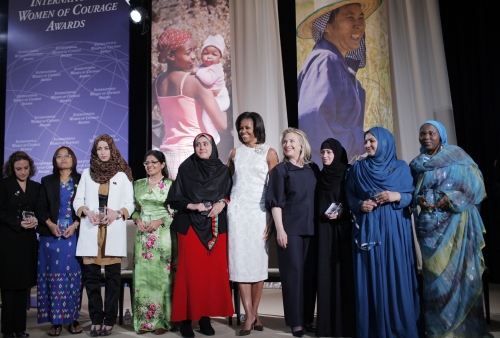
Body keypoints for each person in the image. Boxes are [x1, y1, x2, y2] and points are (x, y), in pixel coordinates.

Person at [410, 120, 492, 337]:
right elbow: (413, 191)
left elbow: (476, 187)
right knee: (434, 281)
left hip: (457, 229)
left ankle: (463, 331)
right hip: (429, 229)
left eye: (431, 133)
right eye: (422, 133)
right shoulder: (417, 164)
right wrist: (419, 200)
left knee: (461, 278)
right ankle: (438, 329)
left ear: (441, 136)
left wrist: (451, 197)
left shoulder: (458, 157)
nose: (426, 137)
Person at [345, 127, 421, 338]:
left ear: (385, 143)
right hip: (369, 228)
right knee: (370, 275)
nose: (367, 145)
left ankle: (400, 327)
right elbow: (349, 196)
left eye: (372, 141)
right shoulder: (357, 169)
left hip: (395, 228)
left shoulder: (401, 167)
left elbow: (411, 197)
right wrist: (361, 205)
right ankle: (374, 328)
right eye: (366, 141)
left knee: (396, 273)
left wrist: (396, 195)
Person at [296, 0, 381, 164]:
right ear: (326, 25)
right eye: (350, 17)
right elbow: (313, 122)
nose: (359, 25)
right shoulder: (326, 60)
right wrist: (358, 140)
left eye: (361, 17)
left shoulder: (336, 62)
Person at [166, 133, 233, 338]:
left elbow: (230, 195)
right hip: (190, 228)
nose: (202, 147)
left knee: (210, 276)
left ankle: (204, 318)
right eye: (198, 144)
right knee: (189, 275)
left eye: (205, 143)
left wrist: (223, 202)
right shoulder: (186, 168)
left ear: (213, 145)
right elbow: (174, 199)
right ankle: (186, 319)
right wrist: (192, 205)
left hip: (215, 228)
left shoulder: (223, 170)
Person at [73, 134, 134, 337]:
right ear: (95, 152)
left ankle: (109, 320)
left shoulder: (122, 175)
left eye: (106, 148)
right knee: (91, 281)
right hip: (92, 231)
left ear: (112, 149)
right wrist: (86, 211)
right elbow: (77, 200)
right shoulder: (86, 173)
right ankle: (96, 320)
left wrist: (118, 213)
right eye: (99, 149)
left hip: (112, 231)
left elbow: (130, 203)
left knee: (112, 281)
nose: (103, 152)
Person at [226, 112, 279, 336]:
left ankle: (253, 313)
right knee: (239, 263)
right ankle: (249, 314)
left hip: (259, 213)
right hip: (237, 212)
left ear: (257, 127)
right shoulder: (235, 153)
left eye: (247, 128)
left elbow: (275, 188)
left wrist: (272, 220)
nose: (243, 132)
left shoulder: (269, 152)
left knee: (257, 265)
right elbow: (228, 182)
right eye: (240, 129)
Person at [265, 128, 319, 338]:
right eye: (285, 141)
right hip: (290, 230)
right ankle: (295, 322)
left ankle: (306, 319)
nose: (287, 144)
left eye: (292, 141)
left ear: (301, 144)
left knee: (309, 276)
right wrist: (279, 229)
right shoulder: (280, 170)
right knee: (293, 276)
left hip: (312, 230)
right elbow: (275, 203)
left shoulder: (313, 169)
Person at [154, 27, 227, 179]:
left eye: (194, 50)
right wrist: (224, 112)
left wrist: (158, 141)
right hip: (194, 155)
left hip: (166, 157)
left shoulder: (157, 82)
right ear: (171, 56)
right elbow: (221, 125)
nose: (194, 56)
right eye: (188, 52)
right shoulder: (195, 82)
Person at [35, 146, 83, 336]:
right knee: (53, 279)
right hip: (51, 236)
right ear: (54, 160)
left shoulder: (82, 180)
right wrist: (50, 224)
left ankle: (73, 319)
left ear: (73, 158)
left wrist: (75, 225)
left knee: (72, 277)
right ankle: (55, 322)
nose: (63, 159)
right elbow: (40, 207)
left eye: (67, 155)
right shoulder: (46, 181)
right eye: (59, 156)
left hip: (74, 234)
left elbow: (89, 206)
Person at [131, 150, 176, 335]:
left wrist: (160, 220)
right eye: (146, 163)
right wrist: (137, 220)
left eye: (153, 162)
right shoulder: (138, 185)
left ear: (163, 164)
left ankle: (162, 322)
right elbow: (134, 210)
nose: (149, 165)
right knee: (142, 278)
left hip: (163, 235)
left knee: (162, 278)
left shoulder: (171, 185)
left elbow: (176, 211)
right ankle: (143, 321)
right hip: (142, 237)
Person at [315, 138, 356, 337]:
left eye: (329, 152)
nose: (325, 156)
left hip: (342, 232)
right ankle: (327, 325)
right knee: (325, 275)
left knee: (343, 275)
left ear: (338, 153)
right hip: (324, 232)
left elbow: (352, 200)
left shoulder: (347, 174)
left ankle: (345, 325)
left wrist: (342, 213)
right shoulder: (320, 176)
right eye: (322, 152)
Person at [0, 151, 40, 338]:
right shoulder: (4, 185)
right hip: (9, 240)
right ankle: (7, 330)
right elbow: (0, 212)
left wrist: (36, 220)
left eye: (25, 168)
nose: (22, 172)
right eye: (18, 169)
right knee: (8, 286)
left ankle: (20, 329)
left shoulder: (35, 187)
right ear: (12, 169)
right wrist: (18, 222)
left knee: (23, 284)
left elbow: (40, 210)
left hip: (27, 241)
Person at [193, 34, 230, 144]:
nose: (209, 56)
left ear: (220, 57)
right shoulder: (201, 66)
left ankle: (214, 138)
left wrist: (197, 72)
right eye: (206, 53)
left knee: (207, 117)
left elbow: (208, 79)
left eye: (214, 54)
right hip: (212, 98)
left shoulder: (216, 68)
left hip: (220, 98)